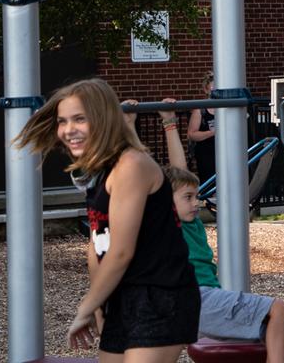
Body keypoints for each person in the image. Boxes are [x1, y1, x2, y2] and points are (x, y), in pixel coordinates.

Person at [14, 78, 198, 361]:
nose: (68, 130)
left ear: (103, 119)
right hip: (121, 295)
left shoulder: (132, 165)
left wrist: (86, 307)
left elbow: (121, 250)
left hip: (161, 295)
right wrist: (100, 301)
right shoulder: (100, 171)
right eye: (62, 121)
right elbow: (97, 243)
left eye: (79, 119)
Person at [150, 101, 284, 363]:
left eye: (196, 197)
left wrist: (170, 119)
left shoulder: (190, 222)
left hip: (206, 296)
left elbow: (181, 174)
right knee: (280, 310)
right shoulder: (168, 222)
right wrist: (166, 124)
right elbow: (176, 171)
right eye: (188, 197)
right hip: (194, 297)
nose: (197, 203)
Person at [183, 74, 217, 182]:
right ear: (206, 90)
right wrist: (212, 133)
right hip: (206, 154)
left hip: (226, 153)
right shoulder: (200, 110)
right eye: (213, 89)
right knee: (209, 184)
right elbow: (191, 134)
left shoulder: (226, 108)